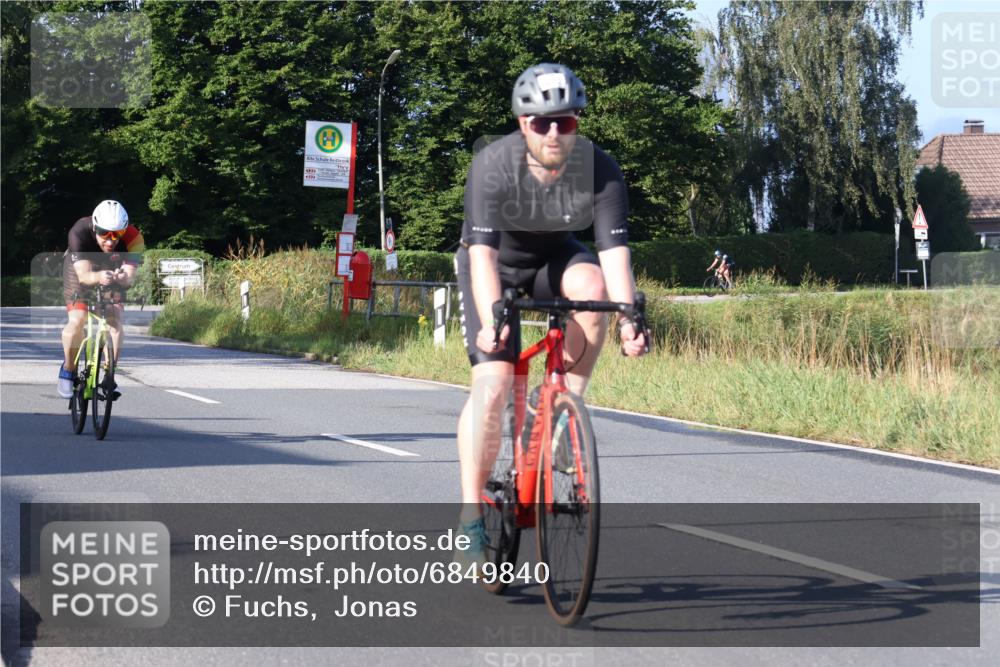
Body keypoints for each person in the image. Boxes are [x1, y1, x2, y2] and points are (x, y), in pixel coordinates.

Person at [454, 63, 647, 567]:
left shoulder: (601, 169)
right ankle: (471, 513)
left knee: (594, 287)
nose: (555, 132)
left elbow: (613, 255)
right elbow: (481, 257)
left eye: (566, 121)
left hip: (554, 261)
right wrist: (494, 318)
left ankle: (565, 415)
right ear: (523, 124)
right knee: (494, 385)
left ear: (579, 121)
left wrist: (629, 318)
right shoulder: (494, 165)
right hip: (494, 269)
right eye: (542, 123)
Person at [57, 200, 145, 398]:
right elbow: (84, 276)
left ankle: (109, 373)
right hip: (80, 269)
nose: (111, 240)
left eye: (117, 234)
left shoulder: (134, 238)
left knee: (114, 318)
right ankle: (68, 369)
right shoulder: (79, 232)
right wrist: (98, 277)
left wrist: (123, 278)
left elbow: (129, 276)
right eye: (105, 233)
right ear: (95, 227)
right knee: (78, 320)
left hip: (112, 266)